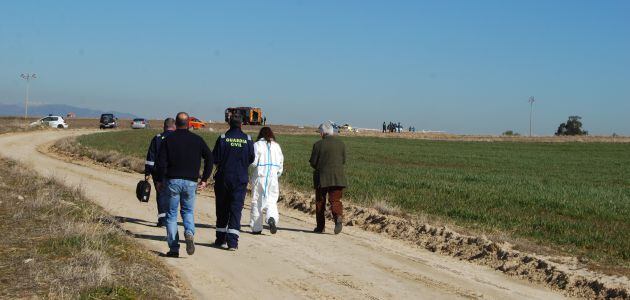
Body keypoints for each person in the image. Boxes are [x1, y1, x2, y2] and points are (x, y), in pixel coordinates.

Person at [156, 112, 213, 258]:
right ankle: (189, 232)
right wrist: (205, 179)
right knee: (187, 212)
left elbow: (161, 162)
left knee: (171, 215)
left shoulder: (168, 140)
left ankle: (174, 248)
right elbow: (210, 158)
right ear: (188, 123)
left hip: (172, 181)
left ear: (175, 123)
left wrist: (159, 180)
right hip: (191, 182)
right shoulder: (197, 140)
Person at [213, 114, 255, 251]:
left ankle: (220, 239)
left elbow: (215, 158)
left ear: (229, 124)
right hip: (240, 179)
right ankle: (233, 243)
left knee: (222, 208)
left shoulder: (223, 138)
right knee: (236, 209)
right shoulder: (248, 139)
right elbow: (251, 158)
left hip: (224, 178)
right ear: (242, 124)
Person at [309, 122, 347, 234]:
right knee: (335, 200)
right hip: (338, 177)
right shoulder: (341, 144)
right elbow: (343, 160)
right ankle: (338, 218)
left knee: (320, 202)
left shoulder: (317, 145)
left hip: (322, 178)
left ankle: (320, 227)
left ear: (322, 133)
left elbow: (313, 163)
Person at [249, 127, 284, 235]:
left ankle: (256, 228)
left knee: (257, 201)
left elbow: (253, 163)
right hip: (273, 178)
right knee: (272, 201)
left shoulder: (257, 145)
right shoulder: (277, 146)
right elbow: (280, 165)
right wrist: (276, 174)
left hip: (260, 177)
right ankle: (271, 218)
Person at [144, 117, 176, 227]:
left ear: (164, 126)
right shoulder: (178, 138)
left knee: (161, 194)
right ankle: (171, 219)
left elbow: (150, 158)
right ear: (174, 126)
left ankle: (163, 220)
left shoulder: (157, 138)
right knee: (173, 195)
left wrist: (147, 173)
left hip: (158, 173)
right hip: (174, 172)